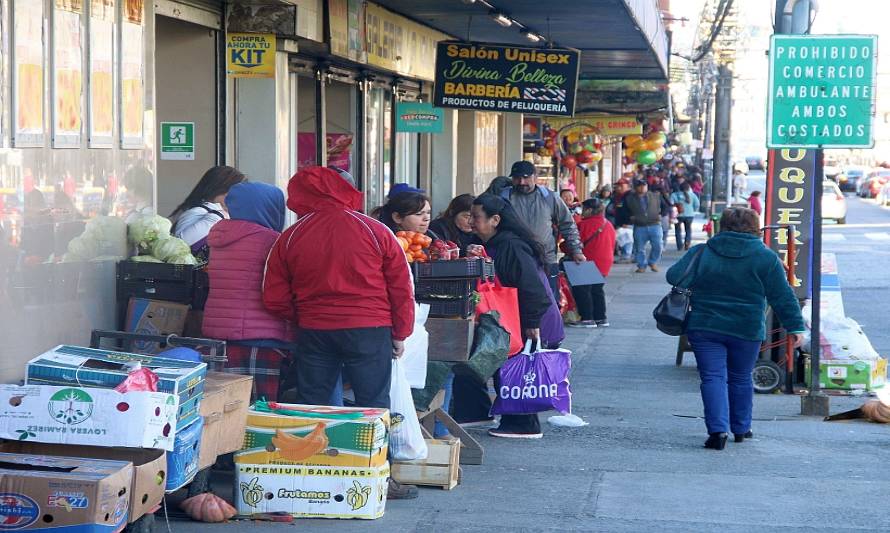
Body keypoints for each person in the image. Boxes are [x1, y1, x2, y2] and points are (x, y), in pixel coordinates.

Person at [262, 166, 417, 499]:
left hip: (315, 330)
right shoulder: (375, 230)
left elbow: (273, 296)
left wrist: (304, 315)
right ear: (344, 190)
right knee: (373, 404)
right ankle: (378, 478)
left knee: (314, 404)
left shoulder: (289, 237)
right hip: (369, 329)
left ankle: (315, 477)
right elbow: (401, 287)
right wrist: (400, 333)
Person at [666, 207, 804, 451]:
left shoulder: (702, 252)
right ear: (755, 228)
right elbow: (783, 297)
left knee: (712, 377)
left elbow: (674, 276)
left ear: (723, 227)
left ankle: (717, 432)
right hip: (746, 328)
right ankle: (741, 428)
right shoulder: (766, 257)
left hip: (705, 325)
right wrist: (795, 327)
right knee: (740, 377)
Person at [469, 194, 564, 439]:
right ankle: (515, 420)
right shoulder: (494, 243)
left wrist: (532, 323)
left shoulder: (510, 245)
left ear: (495, 220)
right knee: (510, 367)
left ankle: (523, 423)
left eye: (476, 217)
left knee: (519, 369)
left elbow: (532, 287)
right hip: (514, 316)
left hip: (527, 317)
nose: (471, 221)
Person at [202, 182, 293, 400]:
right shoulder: (271, 241)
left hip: (220, 334)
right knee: (259, 407)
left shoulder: (219, 238)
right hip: (262, 336)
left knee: (228, 405)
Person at [500, 160, 585, 295]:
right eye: (517, 178)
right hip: (513, 261)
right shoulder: (503, 197)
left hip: (546, 261)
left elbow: (567, 224)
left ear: (535, 177)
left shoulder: (550, 197)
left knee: (549, 301)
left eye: (526, 177)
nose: (521, 182)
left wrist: (576, 250)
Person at [171, 166, 246, 256]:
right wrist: (219, 215)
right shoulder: (199, 212)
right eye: (234, 191)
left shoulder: (204, 211)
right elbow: (179, 246)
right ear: (218, 189)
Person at [567, 198, 616, 328]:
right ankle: (601, 318)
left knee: (582, 290)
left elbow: (571, 244)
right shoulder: (608, 223)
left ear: (589, 210)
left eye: (583, 209)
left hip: (587, 260)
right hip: (605, 262)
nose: (581, 211)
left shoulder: (584, 225)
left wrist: (562, 247)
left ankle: (587, 318)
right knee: (597, 290)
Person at [624, 179, 665, 273]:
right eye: (640, 185)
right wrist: (630, 217)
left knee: (658, 245)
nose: (642, 187)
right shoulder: (630, 198)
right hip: (639, 226)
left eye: (644, 185)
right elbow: (624, 210)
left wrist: (661, 214)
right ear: (636, 187)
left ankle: (653, 262)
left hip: (655, 224)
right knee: (639, 247)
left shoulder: (655, 196)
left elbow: (665, 206)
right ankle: (641, 265)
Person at [670, 182, 700, 251]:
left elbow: (671, 203)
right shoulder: (692, 195)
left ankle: (679, 245)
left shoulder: (674, 195)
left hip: (678, 215)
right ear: (688, 188)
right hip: (689, 215)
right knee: (688, 229)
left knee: (677, 230)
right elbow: (697, 204)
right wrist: (693, 210)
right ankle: (687, 242)